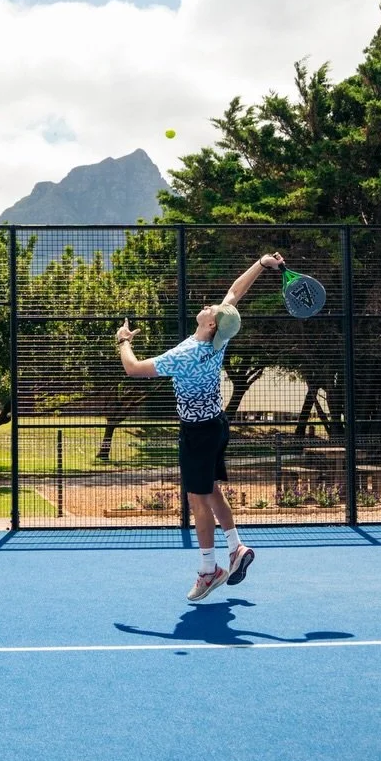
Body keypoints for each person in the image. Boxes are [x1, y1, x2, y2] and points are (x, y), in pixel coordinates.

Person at [116, 252, 284, 601]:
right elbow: (234, 294)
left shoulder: (187, 353)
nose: (210, 306)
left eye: (211, 310)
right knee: (211, 490)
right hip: (216, 426)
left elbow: (132, 369)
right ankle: (236, 548)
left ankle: (210, 570)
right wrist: (261, 263)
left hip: (198, 433)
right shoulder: (219, 339)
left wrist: (123, 340)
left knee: (197, 499)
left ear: (210, 325)